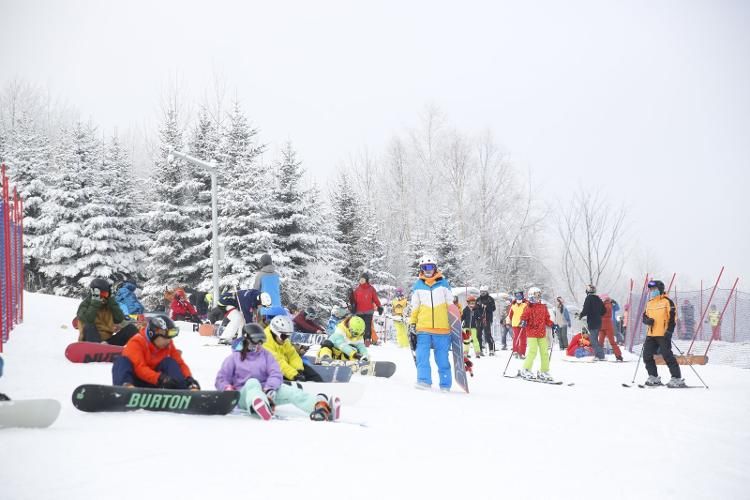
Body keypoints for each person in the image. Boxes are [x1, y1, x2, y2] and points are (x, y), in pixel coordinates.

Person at [215, 323, 337, 421]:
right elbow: (221, 378)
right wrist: (227, 387)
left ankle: (320, 407)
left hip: (267, 393)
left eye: (261, 341)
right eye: (255, 341)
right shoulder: (234, 358)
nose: (258, 345)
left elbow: (276, 373)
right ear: (246, 340)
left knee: (290, 391)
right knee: (253, 382)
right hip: (243, 395)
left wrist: (270, 388)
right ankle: (259, 406)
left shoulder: (266, 355)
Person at [112, 315, 200, 390]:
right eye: (165, 338)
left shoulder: (167, 344)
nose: (168, 341)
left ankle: (183, 391)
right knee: (121, 361)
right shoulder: (136, 342)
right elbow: (139, 368)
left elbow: (180, 363)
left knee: (169, 362)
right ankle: (126, 389)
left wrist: (189, 379)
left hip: (155, 382)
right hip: (136, 380)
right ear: (153, 335)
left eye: (169, 338)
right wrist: (160, 378)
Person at [409, 255, 453, 391]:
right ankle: (424, 381)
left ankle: (445, 384)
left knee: (442, 359)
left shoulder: (444, 284)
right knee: (422, 356)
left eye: (430, 267)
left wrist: (456, 320)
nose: (428, 270)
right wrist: (412, 323)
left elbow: (450, 304)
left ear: (435, 268)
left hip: (442, 329)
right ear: (421, 269)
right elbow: (415, 307)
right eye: (424, 267)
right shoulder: (418, 286)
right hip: (423, 328)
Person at [642, 280, 685, 387]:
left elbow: (672, 319)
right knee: (647, 356)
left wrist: (669, 331)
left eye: (654, 289)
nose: (652, 291)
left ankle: (676, 378)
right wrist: (647, 321)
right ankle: (654, 377)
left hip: (663, 334)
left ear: (660, 289)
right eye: (651, 290)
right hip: (651, 334)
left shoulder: (667, 302)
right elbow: (644, 316)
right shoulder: (649, 303)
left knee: (667, 356)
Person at [77, 278, 139, 346]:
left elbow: (119, 319)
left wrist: (113, 304)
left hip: (106, 343)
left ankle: (140, 351)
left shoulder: (108, 305)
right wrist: (95, 303)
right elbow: (87, 319)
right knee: (89, 324)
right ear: (93, 293)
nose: (103, 297)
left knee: (131, 328)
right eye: (101, 294)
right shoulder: (85, 304)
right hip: (89, 341)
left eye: (105, 294)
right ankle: (97, 347)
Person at [262, 315, 322, 382]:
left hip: (288, 367)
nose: (286, 339)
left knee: (313, 376)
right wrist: (295, 375)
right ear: (275, 332)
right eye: (284, 336)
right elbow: (276, 362)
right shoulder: (264, 342)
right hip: (274, 371)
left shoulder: (282, 338)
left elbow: (292, 355)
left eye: (288, 336)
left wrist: (299, 369)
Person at [518, 287, 556, 381]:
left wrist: (552, 324)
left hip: (541, 333)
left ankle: (544, 371)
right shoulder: (528, 306)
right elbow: (523, 316)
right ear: (531, 295)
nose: (538, 296)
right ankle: (526, 369)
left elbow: (547, 319)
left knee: (544, 352)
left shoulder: (543, 306)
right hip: (531, 333)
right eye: (536, 294)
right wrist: (523, 321)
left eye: (539, 294)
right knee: (533, 351)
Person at [351, 272, 383, 347]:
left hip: (368, 311)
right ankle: (359, 339)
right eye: (360, 279)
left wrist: (379, 306)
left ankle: (367, 339)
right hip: (359, 311)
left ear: (366, 280)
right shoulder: (357, 289)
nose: (361, 280)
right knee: (359, 325)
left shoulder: (371, 289)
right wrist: (353, 306)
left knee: (367, 326)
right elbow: (354, 300)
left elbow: (375, 298)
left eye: (363, 279)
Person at [577, 284, 606, 360]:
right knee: (595, 339)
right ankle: (598, 355)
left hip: (592, 322)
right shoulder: (598, 298)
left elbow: (585, 309)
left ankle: (601, 355)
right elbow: (604, 311)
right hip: (598, 322)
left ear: (588, 291)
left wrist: (581, 315)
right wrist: (597, 313)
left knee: (593, 340)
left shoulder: (588, 298)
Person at [599, 294, 624, 361]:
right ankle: (599, 355)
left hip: (609, 323)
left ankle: (618, 355)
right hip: (603, 325)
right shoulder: (604, 305)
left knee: (612, 340)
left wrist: (615, 303)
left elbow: (617, 308)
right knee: (601, 341)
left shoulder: (608, 305)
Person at [476, 285, 497, 356]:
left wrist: (487, 307)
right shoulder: (478, 299)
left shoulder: (490, 299)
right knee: (478, 334)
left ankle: (491, 349)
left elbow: (494, 308)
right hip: (479, 319)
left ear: (486, 292)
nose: (482, 294)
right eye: (481, 292)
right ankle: (480, 349)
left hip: (487, 319)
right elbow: (475, 309)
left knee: (487, 334)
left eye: (484, 292)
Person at [508, 290, 528, 359]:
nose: (518, 297)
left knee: (523, 339)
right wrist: (508, 321)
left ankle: (522, 352)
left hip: (523, 324)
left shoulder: (526, 304)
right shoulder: (513, 305)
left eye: (519, 295)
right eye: (516, 296)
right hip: (515, 323)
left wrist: (526, 320)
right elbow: (510, 314)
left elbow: (528, 313)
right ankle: (515, 351)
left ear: (522, 296)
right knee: (516, 337)